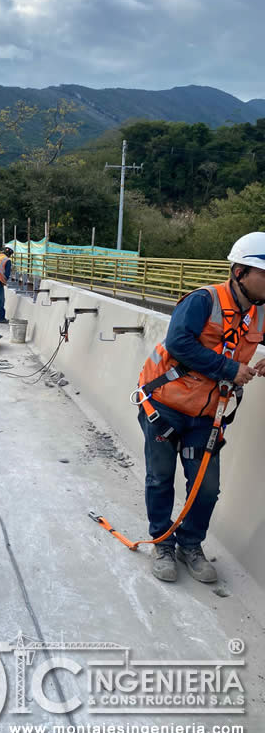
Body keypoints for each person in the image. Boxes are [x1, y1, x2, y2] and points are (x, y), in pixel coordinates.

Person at [136, 232, 265, 584]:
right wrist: (228, 369)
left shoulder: (259, 313)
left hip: (207, 415)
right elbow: (178, 342)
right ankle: (162, 544)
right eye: (264, 274)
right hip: (165, 406)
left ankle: (189, 545)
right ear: (240, 272)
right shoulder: (202, 300)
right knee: (160, 478)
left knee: (206, 487)